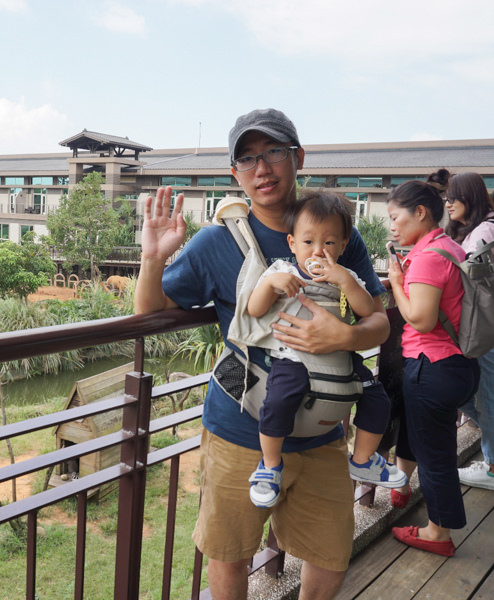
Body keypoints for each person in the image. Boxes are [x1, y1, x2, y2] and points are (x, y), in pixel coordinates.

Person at [134, 108, 390, 600]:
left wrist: (341, 337)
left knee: (329, 552)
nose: (262, 168)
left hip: (320, 434)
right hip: (238, 428)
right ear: (235, 174)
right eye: (247, 159)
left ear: (298, 158)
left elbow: (377, 320)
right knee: (230, 555)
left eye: (273, 152)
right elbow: (150, 311)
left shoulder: (337, 233)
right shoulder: (217, 241)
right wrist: (153, 257)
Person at [237, 191, 405, 508]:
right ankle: (270, 466)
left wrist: (346, 281)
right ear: (291, 244)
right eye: (308, 242)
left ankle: (363, 459)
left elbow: (367, 310)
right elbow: (254, 309)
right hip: (293, 358)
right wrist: (271, 285)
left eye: (329, 243)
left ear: (343, 246)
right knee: (279, 400)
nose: (318, 251)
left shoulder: (348, 276)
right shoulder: (280, 271)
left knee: (376, 397)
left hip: (341, 357)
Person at [386, 180, 480, 557]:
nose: (391, 225)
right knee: (417, 430)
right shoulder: (449, 246)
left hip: (433, 366)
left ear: (420, 213)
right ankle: (401, 483)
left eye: (396, 217)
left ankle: (438, 534)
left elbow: (421, 319)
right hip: (457, 364)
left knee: (436, 457)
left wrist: (395, 282)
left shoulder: (427, 257)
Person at [444, 172, 494, 491]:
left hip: (489, 327)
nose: (447, 204)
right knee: (477, 394)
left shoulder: (482, 232)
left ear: (468, 199)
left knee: (477, 395)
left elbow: (469, 281)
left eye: (452, 198)